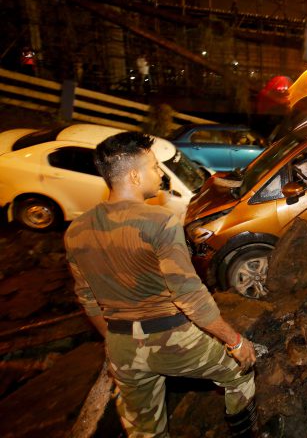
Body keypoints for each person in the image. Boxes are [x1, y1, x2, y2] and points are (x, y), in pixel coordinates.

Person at [65, 132, 274, 437]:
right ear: (134, 176)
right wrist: (235, 342)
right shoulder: (160, 222)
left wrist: (114, 343)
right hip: (174, 339)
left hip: (122, 346)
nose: (160, 173)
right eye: (153, 167)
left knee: (144, 429)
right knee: (239, 373)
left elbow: (87, 298)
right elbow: (189, 295)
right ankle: (246, 434)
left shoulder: (76, 231)